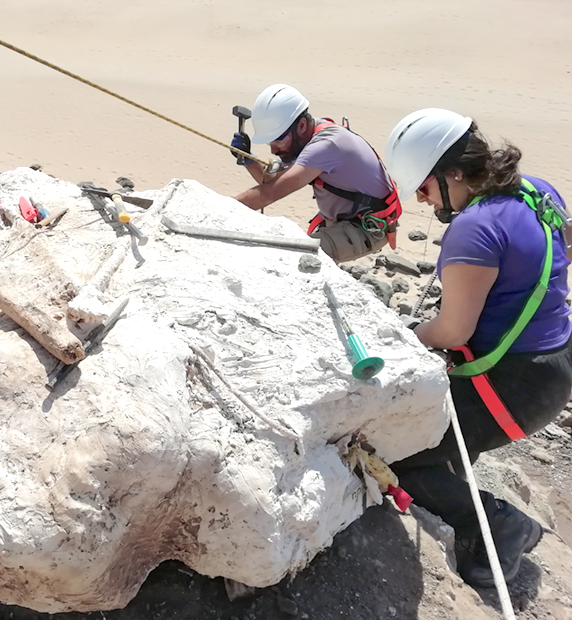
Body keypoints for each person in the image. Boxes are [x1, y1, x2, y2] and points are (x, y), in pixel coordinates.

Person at [385, 108, 572, 588]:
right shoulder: (536, 190)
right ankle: (454, 466)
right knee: (435, 432)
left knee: (394, 451)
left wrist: (403, 335)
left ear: (452, 173)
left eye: (424, 188)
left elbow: (451, 334)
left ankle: (502, 527)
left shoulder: (474, 228)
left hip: (514, 384)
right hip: (553, 360)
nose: (425, 201)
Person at [230, 83, 401, 262]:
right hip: (348, 222)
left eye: (277, 141)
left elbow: (271, 193)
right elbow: (273, 181)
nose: (273, 151)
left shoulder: (326, 145)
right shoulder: (309, 138)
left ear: (301, 125)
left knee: (294, 259)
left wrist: (220, 207)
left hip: (367, 228)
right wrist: (249, 160)